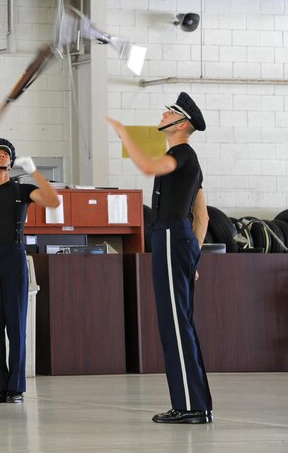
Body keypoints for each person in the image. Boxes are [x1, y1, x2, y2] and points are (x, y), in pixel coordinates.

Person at [108, 92, 212, 424]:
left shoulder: (181, 154)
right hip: (177, 240)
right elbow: (203, 218)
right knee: (180, 322)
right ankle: (195, 404)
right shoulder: (187, 160)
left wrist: (125, 134)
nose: (163, 114)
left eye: (169, 112)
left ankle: (189, 407)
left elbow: (149, 165)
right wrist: (192, 257)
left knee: (174, 325)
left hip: (169, 236)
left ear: (182, 124)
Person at [0, 138, 59, 404]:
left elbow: (53, 201)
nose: (4, 156)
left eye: (7, 153)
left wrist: (34, 171)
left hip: (14, 256)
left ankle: (16, 387)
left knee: (16, 324)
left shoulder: (22, 189)